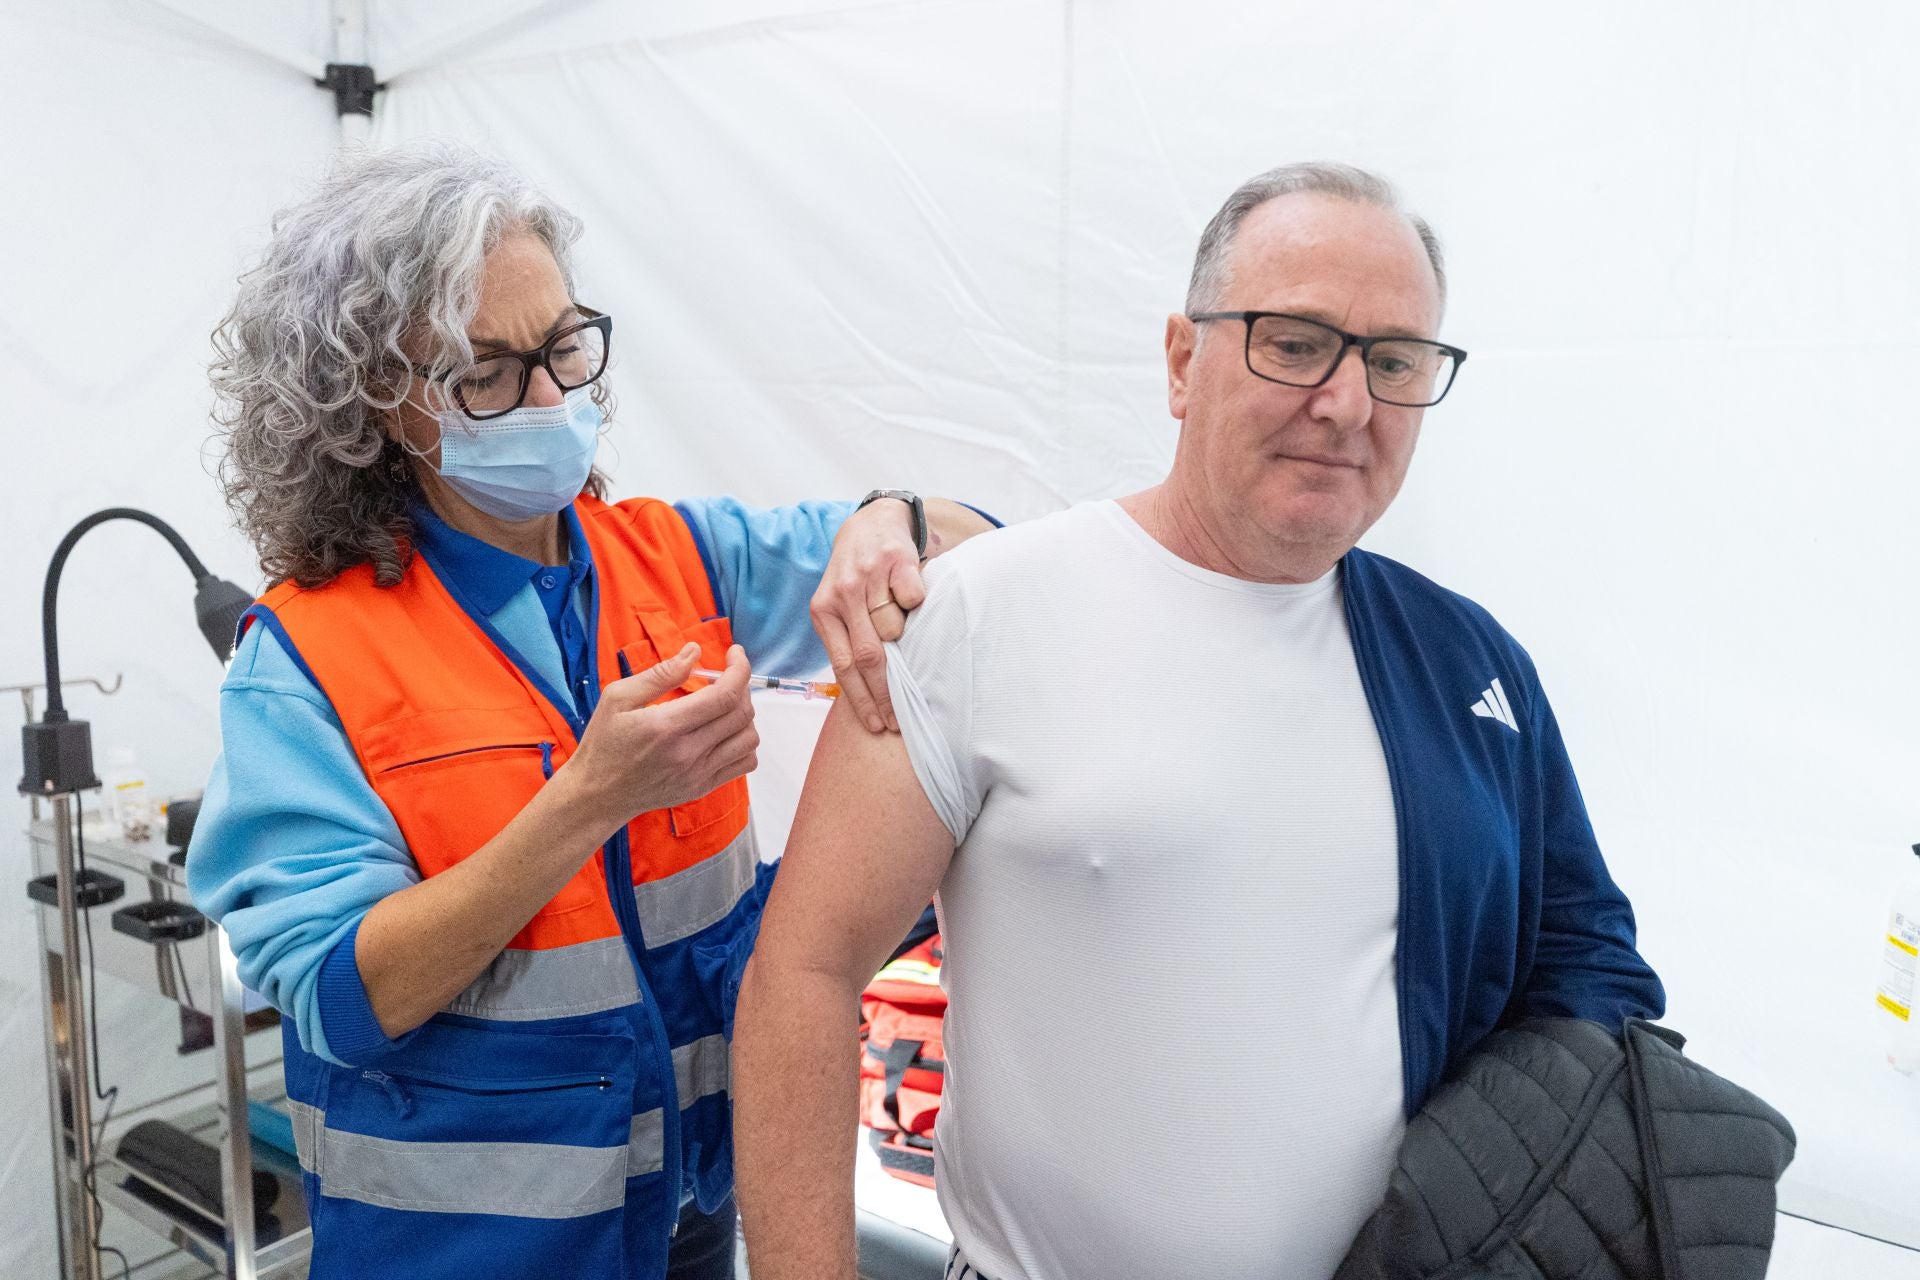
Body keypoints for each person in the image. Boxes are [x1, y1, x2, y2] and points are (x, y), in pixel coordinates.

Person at [732, 162, 1665, 1280]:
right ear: (1182, 360)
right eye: (1296, 340)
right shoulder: (981, 613)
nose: (1348, 403)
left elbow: (1591, 977)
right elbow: (805, 971)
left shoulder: (1468, 666)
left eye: (1396, 360)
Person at [187, 139, 994, 1280]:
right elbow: (344, 998)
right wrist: (589, 800)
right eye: (491, 371)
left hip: (681, 1206)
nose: (554, 397)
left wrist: (894, 513)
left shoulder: (675, 558)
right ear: (377, 404)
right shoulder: (307, 658)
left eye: (566, 346)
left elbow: (968, 552)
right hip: (463, 1241)